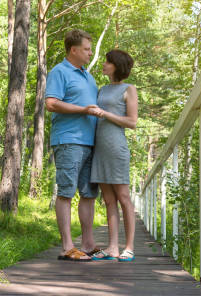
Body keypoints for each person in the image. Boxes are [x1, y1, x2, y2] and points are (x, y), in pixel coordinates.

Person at [45, 29, 101, 262]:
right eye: (87, 49)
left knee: (88, 194)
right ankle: (67, 247)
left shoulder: (88, 76)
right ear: (74, 50)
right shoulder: (60, 71)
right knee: (66, 192)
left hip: (89, 143)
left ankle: (87, 244)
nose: (90, 53)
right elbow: (51, 103)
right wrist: (83, 110)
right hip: (68, 140)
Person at [87, 49, 138, 262]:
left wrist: (105, 113)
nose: (104, 64)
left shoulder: (129, 89)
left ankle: (129, 247)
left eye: (108, 62)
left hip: (116, 148)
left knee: (123, 198)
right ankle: (112, 247)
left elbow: (132, 122)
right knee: (108, 200)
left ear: (116, 65)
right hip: (100, 149)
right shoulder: (102, 89)